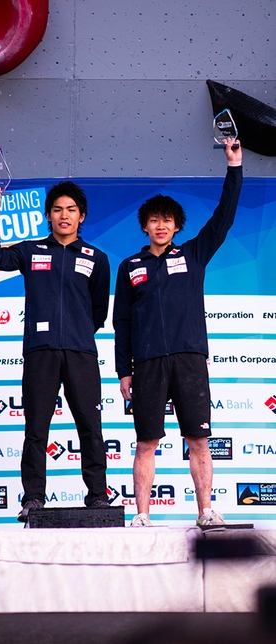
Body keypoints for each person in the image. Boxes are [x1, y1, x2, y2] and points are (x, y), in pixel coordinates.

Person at [113, 139, 243, 527]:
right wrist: (125, 370)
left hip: (189, 359)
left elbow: (224, 217)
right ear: (145, 226)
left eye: (168, 220)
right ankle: (142, 515)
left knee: (199, 440)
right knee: (146, 442)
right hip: (148, 364)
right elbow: (122, 322)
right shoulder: (129, 266)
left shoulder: (192, 254)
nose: (161, 226)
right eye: (154, 220)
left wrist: (234, 167)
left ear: (177, 226)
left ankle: (206, 511)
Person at [0, 181, 110, 521]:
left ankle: (98, 496)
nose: (64, 216)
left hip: (81, 352)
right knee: (36, 428)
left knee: (90, 427)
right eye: (57, 210)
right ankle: (33, 498)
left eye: (70, 210)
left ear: (81, 216)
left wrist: (78, 332)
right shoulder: (31, 251)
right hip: (40, 352)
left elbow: (99, 312)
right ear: (48, 216)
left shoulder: (97, 258)